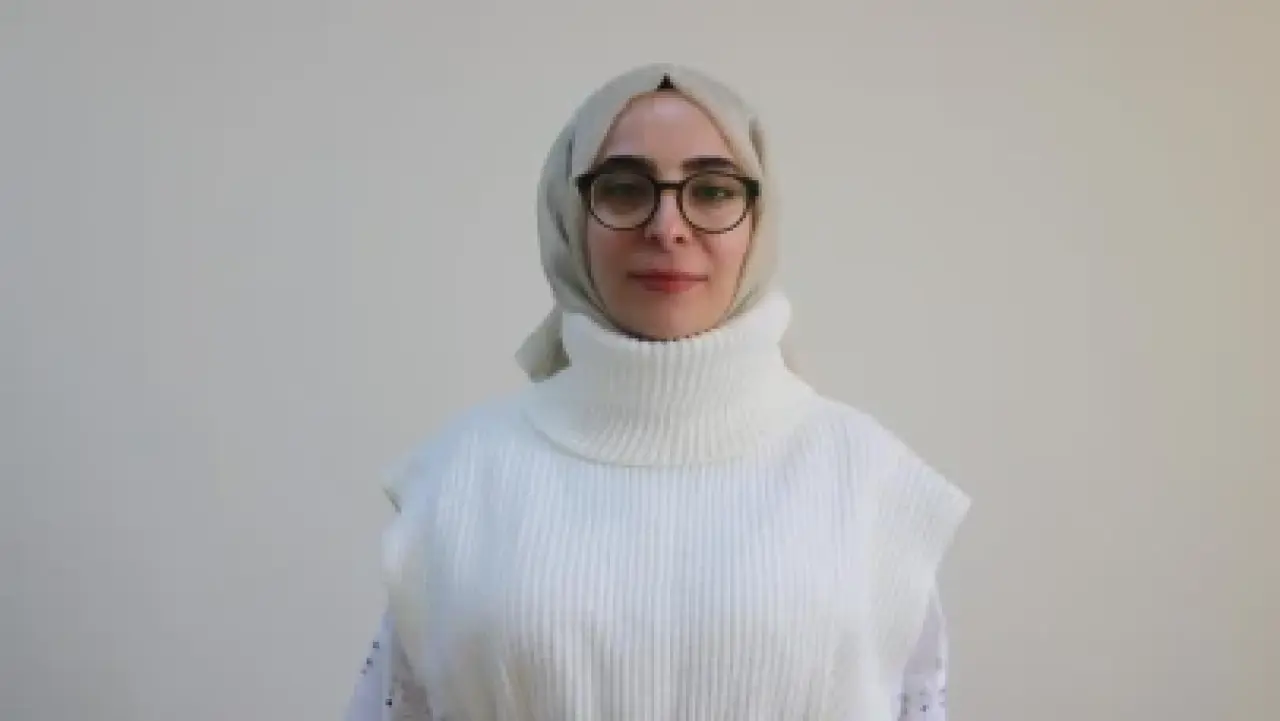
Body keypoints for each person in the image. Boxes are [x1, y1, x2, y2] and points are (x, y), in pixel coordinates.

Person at [344, 63, 970, 721]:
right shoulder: (457, 481)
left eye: (712, 190)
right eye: (623, 188)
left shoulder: (872, 484)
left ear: (759, 220)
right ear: (569, 217)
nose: (668, 226)